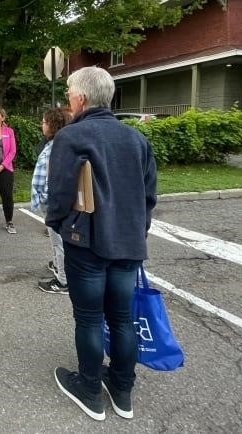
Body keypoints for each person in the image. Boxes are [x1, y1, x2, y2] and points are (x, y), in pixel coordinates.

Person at [45, 66, 157, 421]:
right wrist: (139, 229)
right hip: (128, 241)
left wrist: (58, 224)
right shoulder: (136, 139)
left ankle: (90, 388)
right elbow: (149, 194)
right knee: (123, 317)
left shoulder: (72, 136)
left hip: (88, 242)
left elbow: (60, 193)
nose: (68, 101)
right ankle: (122, 389)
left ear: (80, 98)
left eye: (69, 95)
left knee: (90, 317)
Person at [30, 108, 69, 294]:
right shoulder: (53, 143)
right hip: (50, 202)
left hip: (52, 203)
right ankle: (58, 267)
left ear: (53, 125)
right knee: (56, 240)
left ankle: (63, 281)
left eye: (45, 122)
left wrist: (44, 198)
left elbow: (51, 178)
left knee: (58, 242)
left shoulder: (57, 147)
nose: (42, 124)